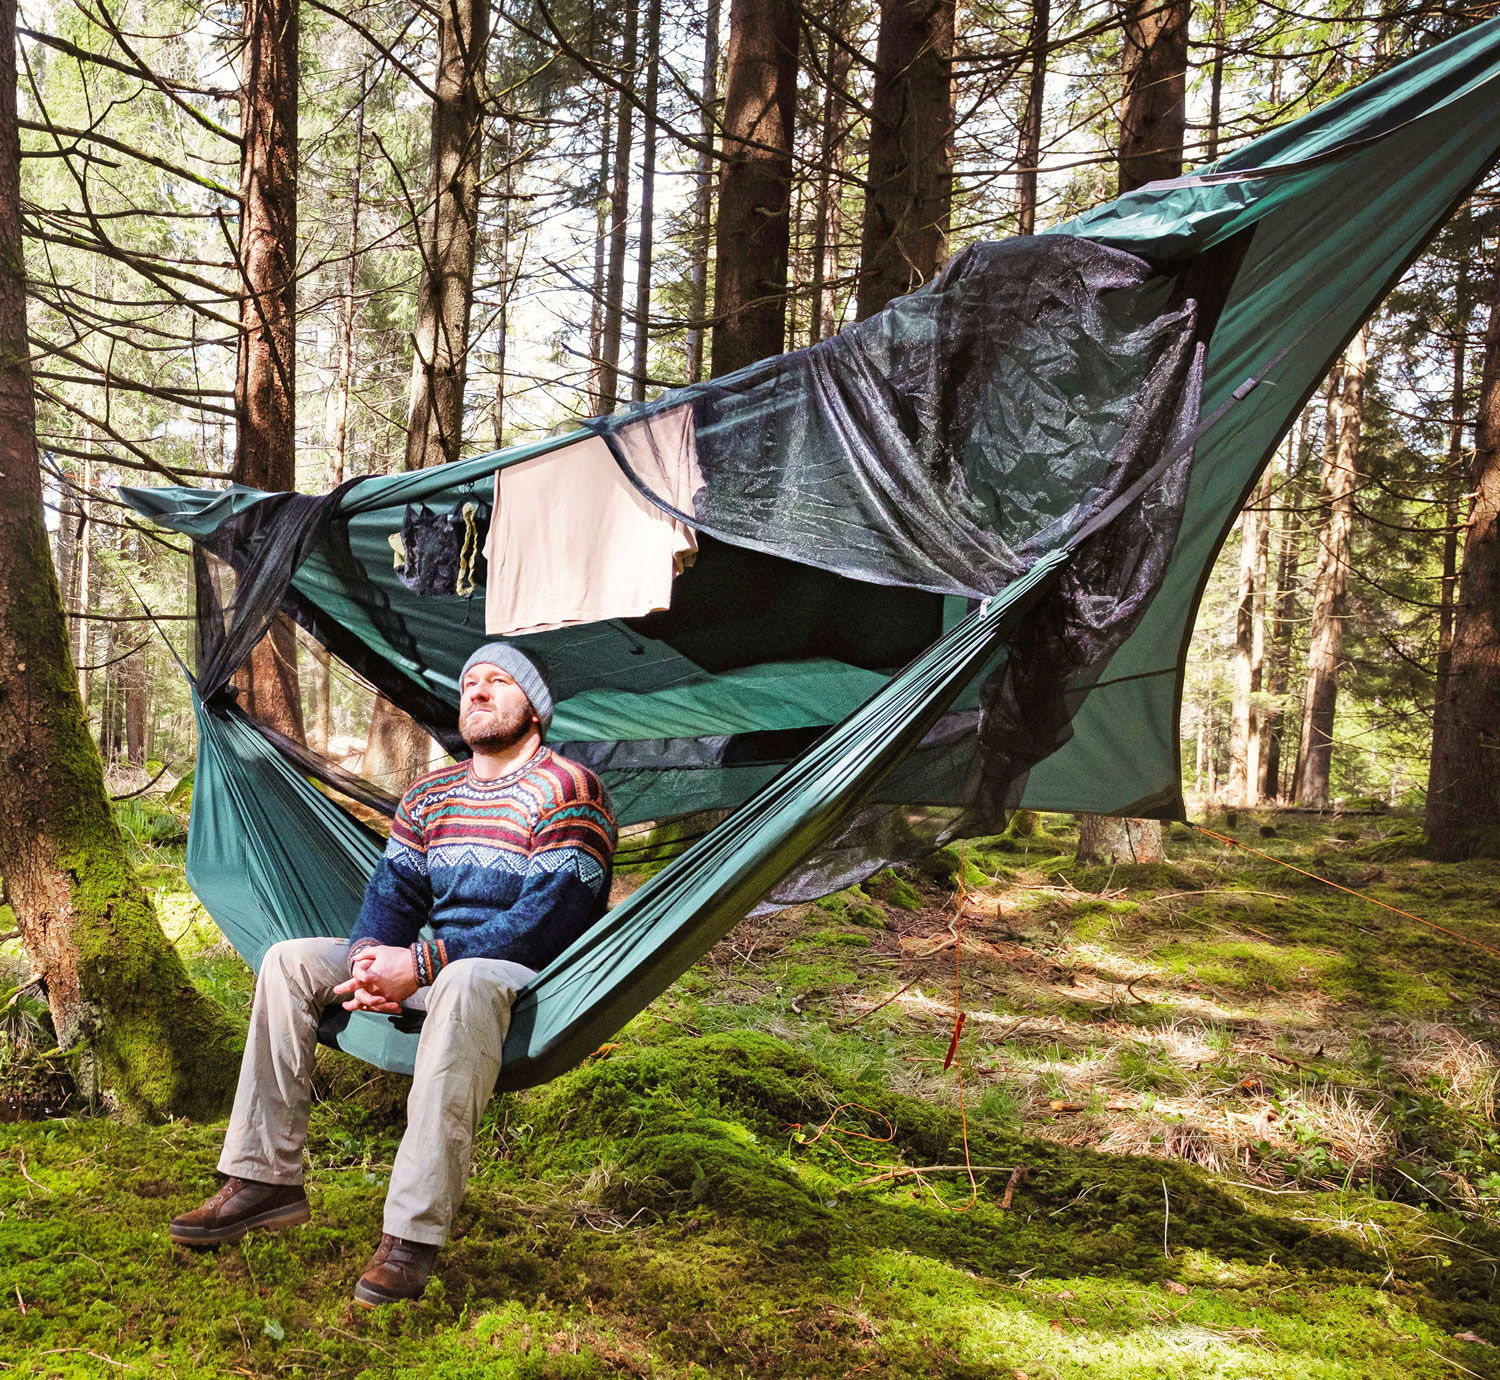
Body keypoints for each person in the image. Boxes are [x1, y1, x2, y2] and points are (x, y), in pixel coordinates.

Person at [169, 643, 615, 1306]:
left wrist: (423, 964)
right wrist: (371, 960)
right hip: (432, 964)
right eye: (470, 685)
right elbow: (393, 893)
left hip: (526, 980)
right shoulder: (432, 795)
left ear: (535, 709)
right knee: (290, 960)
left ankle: (411, 1238)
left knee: (462, 981)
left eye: (499, 683)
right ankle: (264, 1179)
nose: (479, 694)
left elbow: (551, 918)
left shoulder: (568, 789)